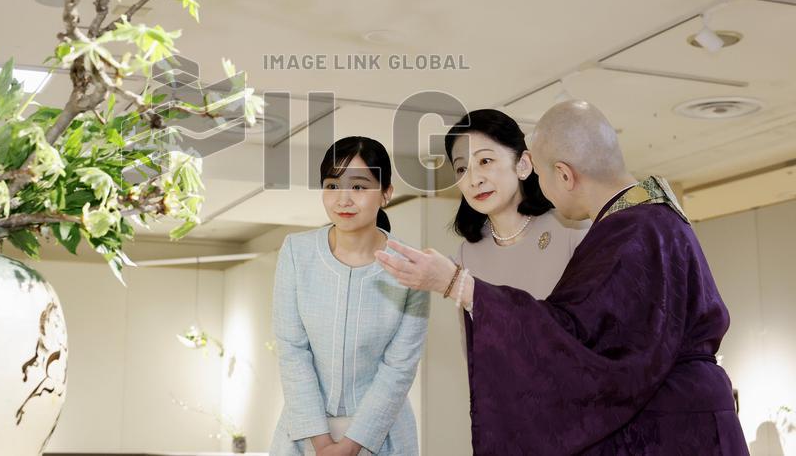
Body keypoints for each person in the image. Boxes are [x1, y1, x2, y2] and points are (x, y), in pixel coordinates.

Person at [376, 101, 747, 454]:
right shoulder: (649, 223)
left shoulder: (630, 234)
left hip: (673, 428)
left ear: (564, 175)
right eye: (462, 169)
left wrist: (459, 285)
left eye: (539, 174)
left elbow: (573, 341)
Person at [270, 136, 429, 456]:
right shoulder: (296, 253)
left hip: (383, 438)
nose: (343, 199)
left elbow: (399, 368)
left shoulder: (412, 268)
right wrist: (321, 442)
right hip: (304, 437)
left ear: (386, 194)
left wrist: (351, 446)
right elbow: (292, 351)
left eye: (358, 187)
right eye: (331, 186)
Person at [444, 109, 587, 303]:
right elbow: (472, 331)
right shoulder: (467, 254)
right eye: (461, 168)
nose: (474, 179)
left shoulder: (572, 229)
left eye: (485, 161)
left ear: (523, 165)